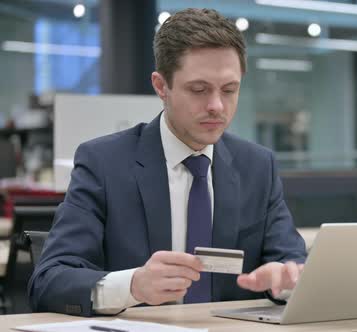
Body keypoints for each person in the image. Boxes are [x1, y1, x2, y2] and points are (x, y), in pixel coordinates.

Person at [28, 8, 307, 316]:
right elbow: (48, 281)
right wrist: (133, 285)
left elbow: (292, 265)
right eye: (198, 90)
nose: (216, 106)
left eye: (229, 90)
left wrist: (285, 281)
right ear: (161, 86)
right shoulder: (103, 164)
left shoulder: (257, 166)